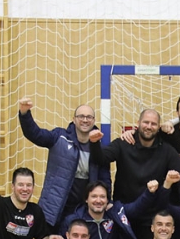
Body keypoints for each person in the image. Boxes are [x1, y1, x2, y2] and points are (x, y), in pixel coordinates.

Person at [88, 109, 180, 238]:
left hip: (152, 216)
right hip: (124, 213)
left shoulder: (167, 150)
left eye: (153, 124)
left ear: (158, 127)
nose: (149, 126)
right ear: (138, 123)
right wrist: (94, 143)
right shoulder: (123, 143)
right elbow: (101, 159)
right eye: (146, 122)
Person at [17, 98, 111, 229]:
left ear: (94, 120)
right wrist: (24, 114)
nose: (85, 120)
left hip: (84, 209)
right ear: (74, 119)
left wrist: (108, 200)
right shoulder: (59, 137)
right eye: (81, 116)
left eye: (89, 117)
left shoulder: (100, 146)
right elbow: (35, 134)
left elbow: (105, 178)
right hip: (55, 207)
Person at [60, 181, 157, 239]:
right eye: (94, 196)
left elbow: (136, 208)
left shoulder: (115, 213)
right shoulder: (73, 220)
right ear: (86, 199)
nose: (98, 200)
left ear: (107, 200)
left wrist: (149, 193)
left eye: (102, 197)